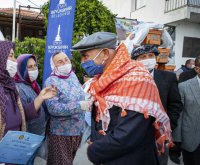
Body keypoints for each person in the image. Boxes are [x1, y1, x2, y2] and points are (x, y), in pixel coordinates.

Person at [72, 32, 172, 165]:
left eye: (85, 56)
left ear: (105, 53)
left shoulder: (137, 78)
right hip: (110, 156)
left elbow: (129, 133)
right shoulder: (102, 78)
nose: (82, 62)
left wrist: (94, 150)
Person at [131, 45, 183, 165]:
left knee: (159, 161)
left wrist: (168, 126)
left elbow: (175, 104)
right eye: (143, 57)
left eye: (150, 56)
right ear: (135, 61)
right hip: (134, 133)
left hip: (160, 134)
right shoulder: (129, 79)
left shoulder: (168, 77)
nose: (148, 59)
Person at [44, 52, 89, 165]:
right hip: (61, 134)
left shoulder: (72, 76)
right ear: (54, 65)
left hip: (77, 131)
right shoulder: (51, 81)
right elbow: (53, 108)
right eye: (60, 62)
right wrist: (79, 106)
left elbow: (78, 94)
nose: (64, 63)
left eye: (66, 60)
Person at [14, 54, 51, 163]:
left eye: (35, 66)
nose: (34, 69)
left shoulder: (33, 84)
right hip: (27, 138)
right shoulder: (18, 88)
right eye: (29, 67)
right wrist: (40, 98)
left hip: (37, 134)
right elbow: (24, 114)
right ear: (21, 68)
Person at [176, 56, 200, 165]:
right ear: (197, 69)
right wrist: (177, 139)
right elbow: (179, 114)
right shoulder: (184, 87)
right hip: (190, 138)